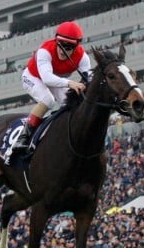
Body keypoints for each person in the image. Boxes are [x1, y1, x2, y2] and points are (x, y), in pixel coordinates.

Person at [11, 21, 92, 153]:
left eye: (68, 47)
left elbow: (88, 79)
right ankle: (23, 138)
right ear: (56, 41)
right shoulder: (45, 50)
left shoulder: (83, 58)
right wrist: (70, 83)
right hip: (34, 77)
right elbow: (47, 79)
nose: (63, 50)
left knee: (70, 104)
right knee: (48, 100)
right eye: (61, 45)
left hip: (56, 80)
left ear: (76, 46)